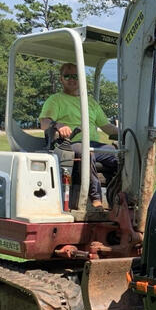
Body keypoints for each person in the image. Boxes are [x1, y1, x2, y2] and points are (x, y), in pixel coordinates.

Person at [39, 63, 119, 208]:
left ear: (81, 79)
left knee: (120, 156)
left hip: (93, 144)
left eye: (76, 76)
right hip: (69, 145)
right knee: (86, 153)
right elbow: (45, 122)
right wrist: (58, 126)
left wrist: (125, 132)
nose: (72, 79)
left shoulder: (91, 103)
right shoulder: (55, 100)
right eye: (67, 76)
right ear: (61, 79)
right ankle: (95, 200)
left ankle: (117, 198)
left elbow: (106, 127)